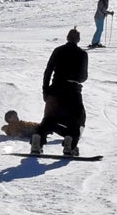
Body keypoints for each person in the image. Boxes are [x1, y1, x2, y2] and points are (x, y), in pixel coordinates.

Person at [31, 27, 89, 157]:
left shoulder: (58, 51)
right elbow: (83, 77)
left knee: (49, 118)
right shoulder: (82, 54)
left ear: (67, 38)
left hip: (55, 90)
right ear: (78, 40)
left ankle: (37, 139)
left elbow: (48, 71)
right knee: (78, 119)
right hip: (73, 92)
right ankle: (70, 142)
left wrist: (45, 91)